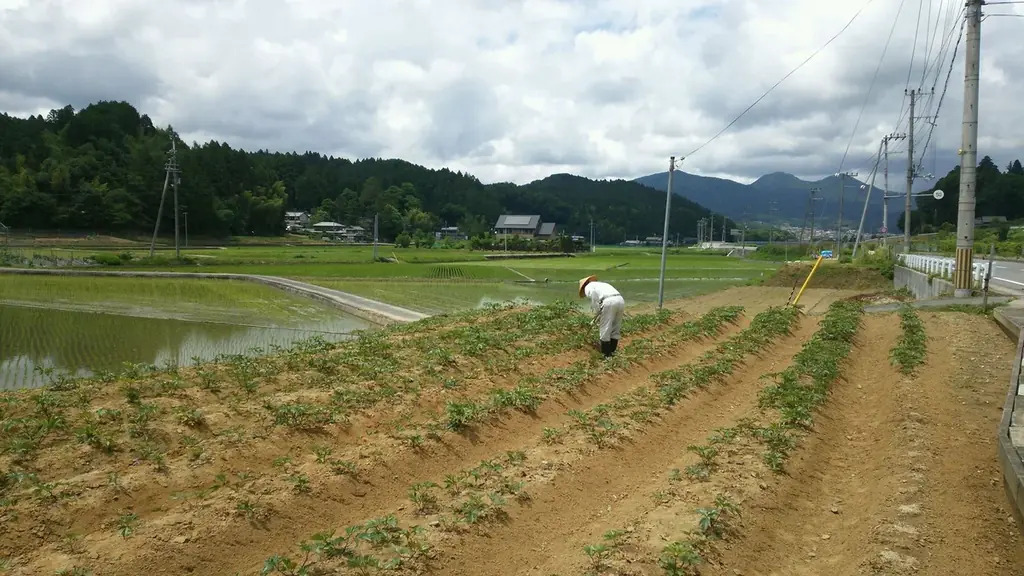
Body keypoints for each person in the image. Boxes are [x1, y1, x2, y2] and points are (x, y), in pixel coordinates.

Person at [578, 275, 625, 357]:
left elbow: (594, 300)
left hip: (609, 302)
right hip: (620, 300)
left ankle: (606, 354)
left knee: (605, 328)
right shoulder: (602, 284)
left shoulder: (588, 287)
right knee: (615, 327)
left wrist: (597, 314)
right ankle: (612, 352)